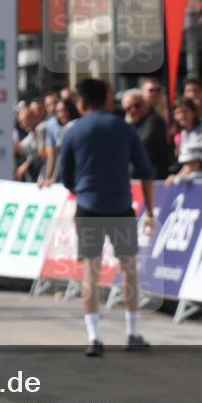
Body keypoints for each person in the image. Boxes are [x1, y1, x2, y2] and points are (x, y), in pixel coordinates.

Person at [58, 78, 156, 357]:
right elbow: (146, 171)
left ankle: (94, 337)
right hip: (121, 205)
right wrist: (149, 211)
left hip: (88, 206)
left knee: (91, 270)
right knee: (128, 269)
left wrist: (82, 189)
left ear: (81, 102)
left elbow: (65, 177)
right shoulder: (125, 129)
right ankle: (132, 332)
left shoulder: (74, 132)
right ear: (107, 99)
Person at [122, 88, 170, 179]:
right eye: (128, 108)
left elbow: (143, 144)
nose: (133, 110)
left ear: (145, 103)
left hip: (153, 180)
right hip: (135, 179)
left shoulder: (155, 120)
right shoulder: (134, 123)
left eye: (136, 106)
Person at [169, 97, 202, 182]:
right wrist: (177, 176)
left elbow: (197, 163)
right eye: (177, 113)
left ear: (193, 112)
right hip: (190, 181)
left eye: (185, 111)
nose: (181, 116)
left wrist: (178, 178)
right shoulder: (184, 133)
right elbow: (187, 165)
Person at [41, 97, 81, 184]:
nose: (61, 114)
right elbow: (52, 154)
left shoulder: (77, 124)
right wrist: (48, 178)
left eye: (64, 110)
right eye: (58, 111)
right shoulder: (51, 125)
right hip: (62, 174)